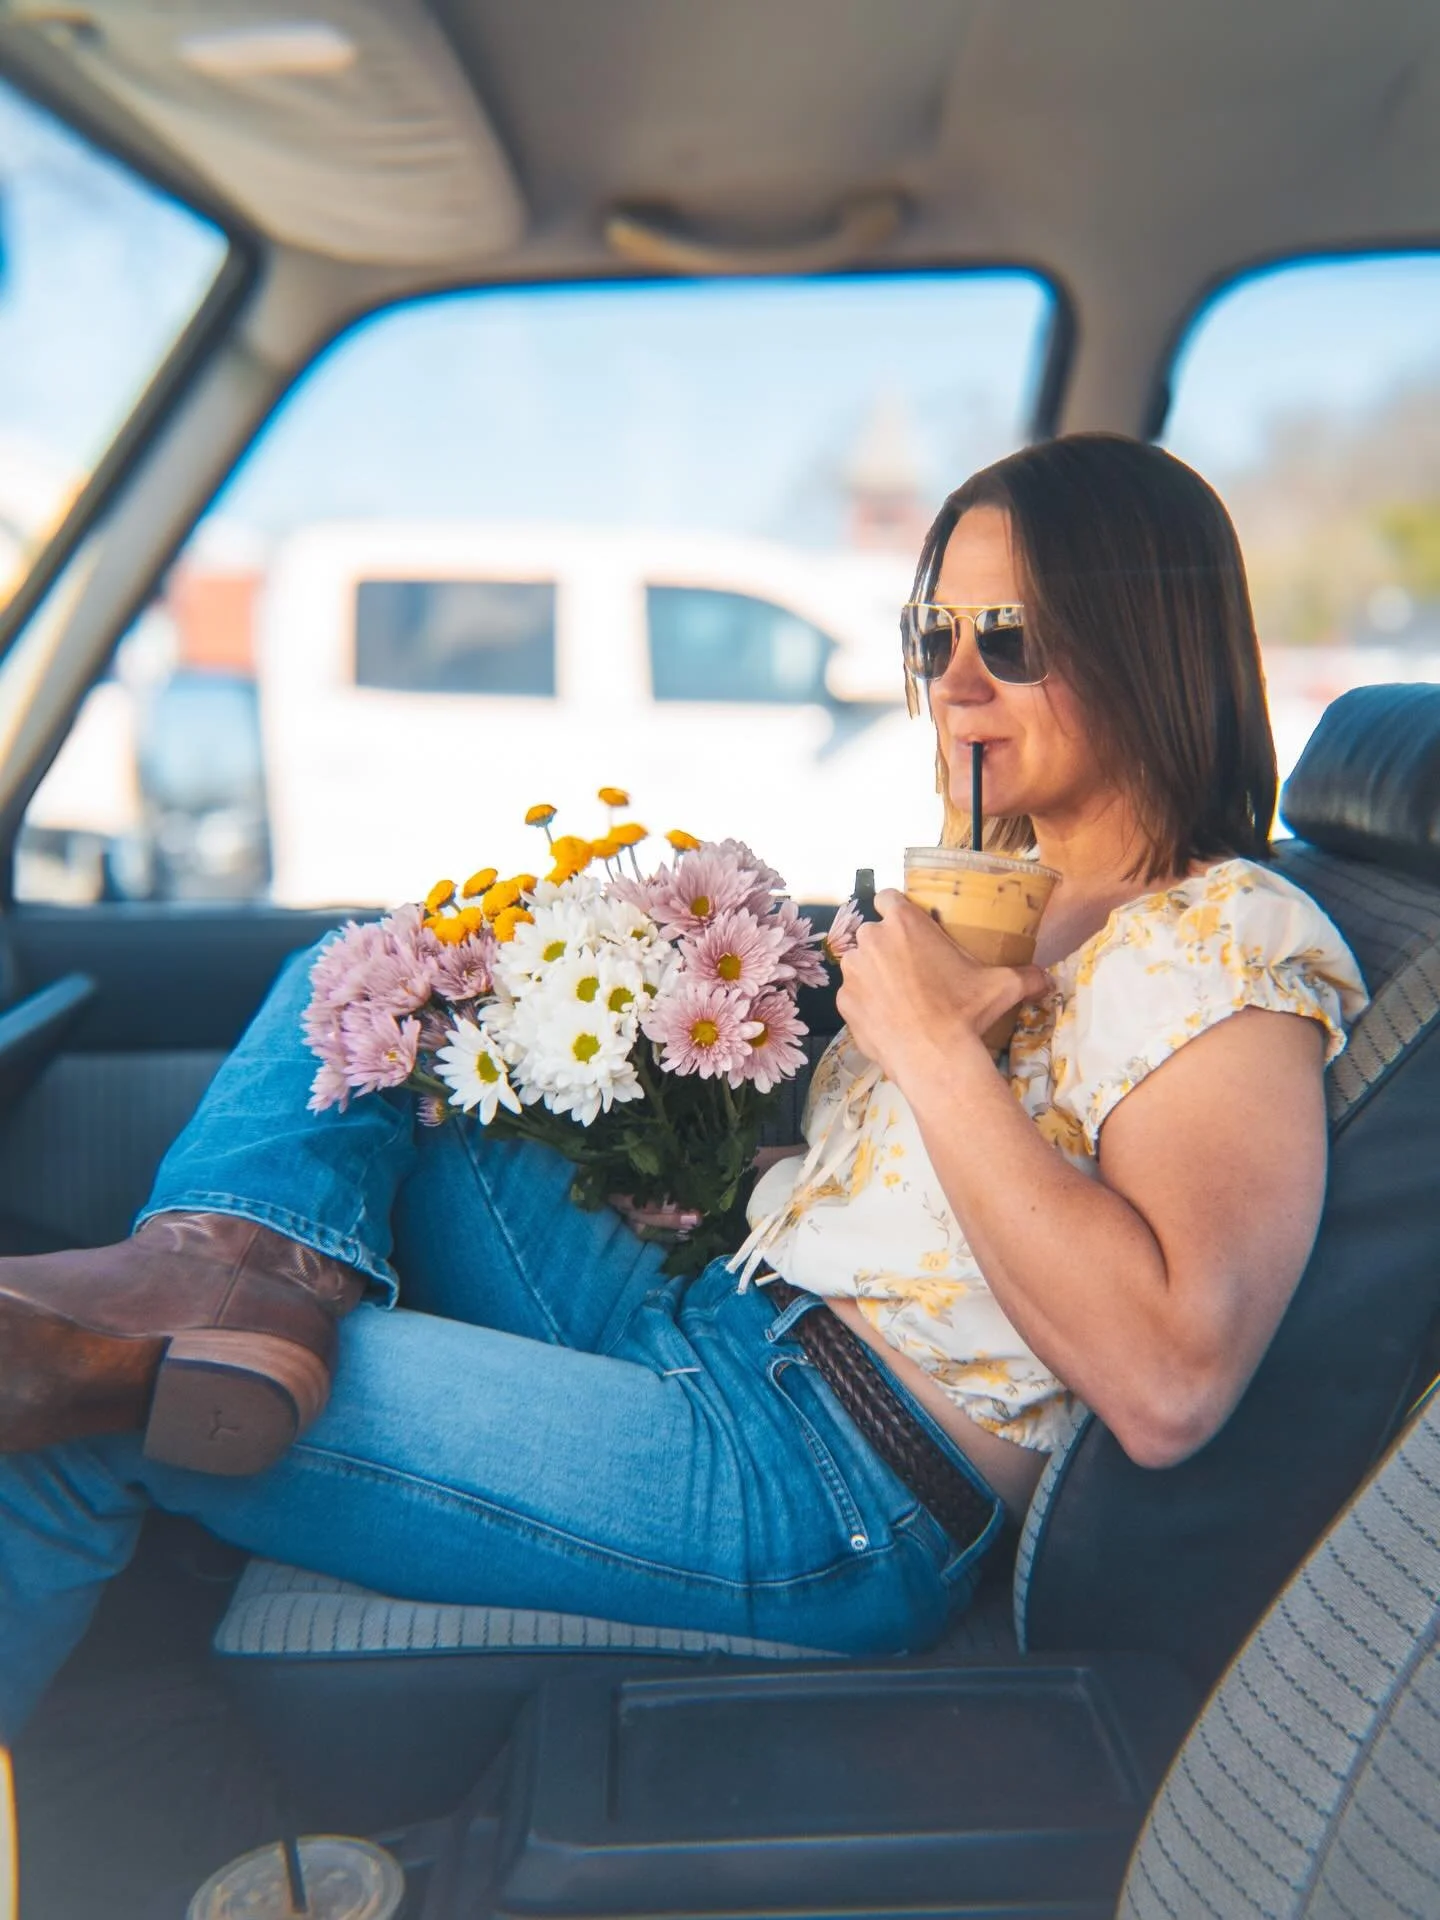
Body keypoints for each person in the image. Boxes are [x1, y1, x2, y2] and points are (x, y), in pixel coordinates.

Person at [0, 435, 1366, 1739]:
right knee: (371, 991)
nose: (955, 684)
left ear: (1144, 639)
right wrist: (739, 1183)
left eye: (1007, 638)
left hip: (832, 1482)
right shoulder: (1007, 888)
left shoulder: (1226, 939)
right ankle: (213, 1268)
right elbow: (921, 1216)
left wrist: (935, 1051)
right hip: (726, 1312)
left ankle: (78, 1769)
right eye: (933, 636)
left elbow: (1170, 1380)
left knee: (88, 1397)